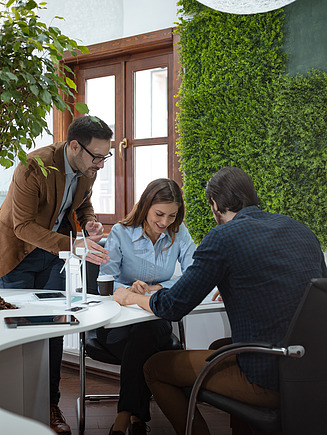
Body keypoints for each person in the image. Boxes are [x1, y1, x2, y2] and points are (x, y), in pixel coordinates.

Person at [113, 167, 327, 435]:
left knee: (154, 368)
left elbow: (172, 307)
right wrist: (238, 286)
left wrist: (131, 297)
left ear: (214, 203)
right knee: (219, 346)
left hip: (270, 378)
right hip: (313, 369)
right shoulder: (301, 230)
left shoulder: (223, 237)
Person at [0, 115, 112, 435]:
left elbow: (81, 205)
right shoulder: (33, 166)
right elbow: (21, 227)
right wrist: (76, 245)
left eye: (106, 156)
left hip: (56, 257)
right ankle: (10, 410)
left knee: (54, 327)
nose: (102, 164)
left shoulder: (86, 168)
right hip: (16, 256)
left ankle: (51, 406)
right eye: (98, 156)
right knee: (16, 332)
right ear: (74, 146)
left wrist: (89, 223)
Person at [97, 178, 196, 435]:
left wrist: (158, 289)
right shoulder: (120, 232)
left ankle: (124, 416)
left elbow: (193, 275)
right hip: (117, 323)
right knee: (142, 343)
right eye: (159, 214)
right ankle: (136, 419)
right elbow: (107, 281)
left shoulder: (179, 232)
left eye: (172, 216)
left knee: (145, 333)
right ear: (145, 206)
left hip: (155, 320)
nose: (165, 222)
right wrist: (129, 289)